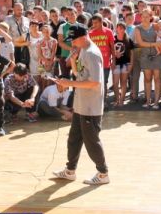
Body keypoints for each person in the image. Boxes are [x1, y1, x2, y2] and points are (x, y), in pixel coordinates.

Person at [52, 23, 110, 185]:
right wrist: (74, 61)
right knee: (74, 138)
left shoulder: (92, 54)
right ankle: (70, 170)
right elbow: (79, 75)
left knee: (91, 141)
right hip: (81, 104)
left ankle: (103, 173)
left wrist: (69, 83)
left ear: (84, 37)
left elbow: (95, 82)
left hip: (90, 106)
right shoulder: (83, 50)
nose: (72, 43)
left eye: (74, 40)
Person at [134, 9, 161, 109]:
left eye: (147, 16)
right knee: (147, 79)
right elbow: (141, 43)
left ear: (151, 17)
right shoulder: (137, 28)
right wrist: (155, 44)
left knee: (157, 79)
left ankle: (156, 102)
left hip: (158, 55)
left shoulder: (156, 26)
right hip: (145, 56)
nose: (144, 18)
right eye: (143, 16)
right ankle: (148, 101)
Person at [88, 14, 115, 102]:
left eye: (96, 23)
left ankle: (103, 102)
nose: (94, 25)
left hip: (105, 63)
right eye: (93, 23)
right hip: (93, 63)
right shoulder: (90, 33)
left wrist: (113, 61)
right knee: (93, 83)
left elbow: (112, 48)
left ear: (101, 22)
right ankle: (95, 102)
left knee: (104, 82)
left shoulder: (108, 32)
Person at [112, 23, 133, 107]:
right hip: (116, 63)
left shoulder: (128, 40)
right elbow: (110, 51)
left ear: (125, 29)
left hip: (126, 63)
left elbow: (132, 54)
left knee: (124, 82)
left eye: (122, 28)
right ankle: (117, 99)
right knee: (115, 83)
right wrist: (114, 56)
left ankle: (121, 100)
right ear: (116, 29)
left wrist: (131, 64)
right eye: (119, 28)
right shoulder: (113, 39)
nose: (120, 30)